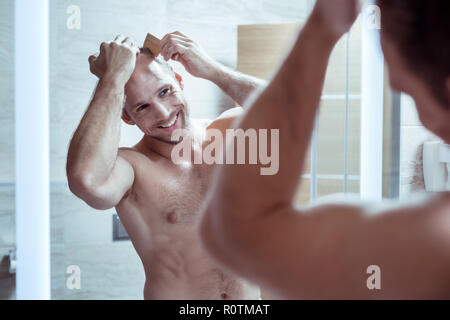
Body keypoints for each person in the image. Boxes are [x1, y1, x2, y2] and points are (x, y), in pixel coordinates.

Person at [200, 0, 450, 299]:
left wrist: (322, 27)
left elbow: (239, 232)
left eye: (407, 91)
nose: (422, 119)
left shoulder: (436, 242)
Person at [66, 31, 265, 299]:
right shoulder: (133, 168)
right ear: (126, 117)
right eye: (142, 107)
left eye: (165, 91)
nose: (163, 113)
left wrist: (211, 69)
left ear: (179, 80)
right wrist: (112, 79)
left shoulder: (229, 134)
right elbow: (87, 181)